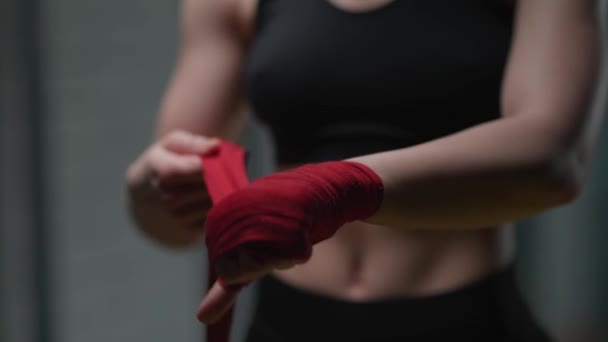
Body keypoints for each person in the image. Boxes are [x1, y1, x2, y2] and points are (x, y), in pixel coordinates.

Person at [125, 0, 604, 340]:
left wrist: (336, 188)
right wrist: (147, 191)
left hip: (463, 318)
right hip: (287, 323)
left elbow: (555, 157)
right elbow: (175, 223)